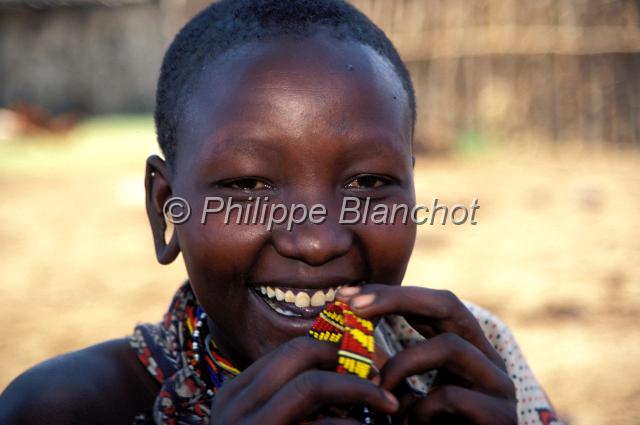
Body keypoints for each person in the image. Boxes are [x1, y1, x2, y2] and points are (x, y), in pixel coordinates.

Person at [0, 1, 562, 424]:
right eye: (246, 186)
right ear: (165, 208)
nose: (317, 241)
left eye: (369, 182)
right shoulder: (65, 409)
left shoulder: (472, 369)